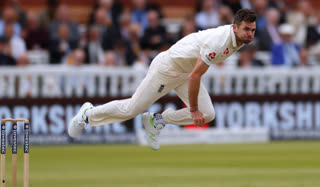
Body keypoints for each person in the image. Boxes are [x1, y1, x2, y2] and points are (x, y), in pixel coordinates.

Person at [68, 9, 257, 150]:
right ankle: (88, 114)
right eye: (246, 29)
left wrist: (197, 110)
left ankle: (157, 120)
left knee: (208, 114)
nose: (250, 34)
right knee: (132, 109)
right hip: (167, 68)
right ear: (234, 27)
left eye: (253, 30)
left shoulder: (239, 40)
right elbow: (196, 76)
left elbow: (193, 72)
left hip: (185, 71)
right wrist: (192, 110)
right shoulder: (220, 41)